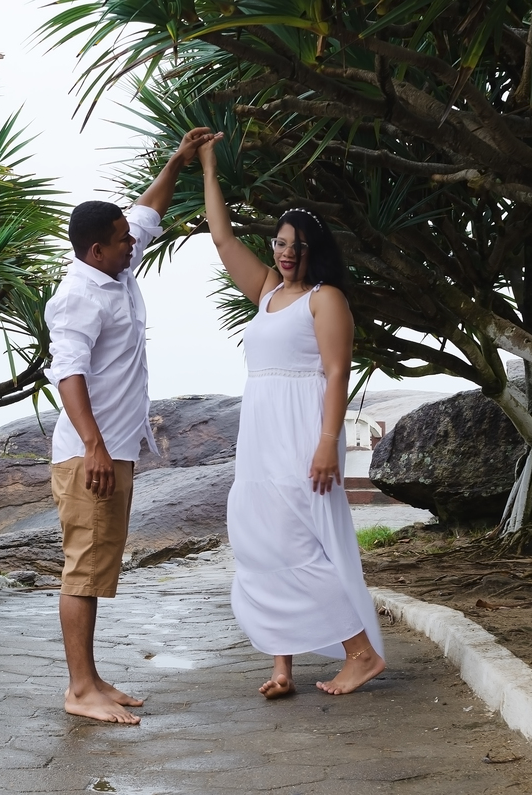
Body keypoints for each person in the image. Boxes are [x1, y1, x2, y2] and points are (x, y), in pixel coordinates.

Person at [197, 135, 386, 698]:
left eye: (295, 246)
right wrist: (208, 167)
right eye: (279, 243)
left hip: (303, 430)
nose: (284, 253)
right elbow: (222, 236)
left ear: (314, 250)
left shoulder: (325, 299)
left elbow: (336, 372)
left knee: (300, 543)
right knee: (260, 540)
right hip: (261, 434)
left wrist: (328, 442)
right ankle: (282, 666)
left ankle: (361, 652)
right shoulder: (266, 292)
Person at [45, 128, 216, 724]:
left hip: (112, 450)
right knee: (83, 570)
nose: (132, 244)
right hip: (89, 455)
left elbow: (147, 211)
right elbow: (67, 374)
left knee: (96, 568)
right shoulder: (78, 297)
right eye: (121, 242)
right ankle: (79, 691)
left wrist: (177, 162)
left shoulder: (116, 267)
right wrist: (94, 447)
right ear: (95, 250)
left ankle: (91, 679)